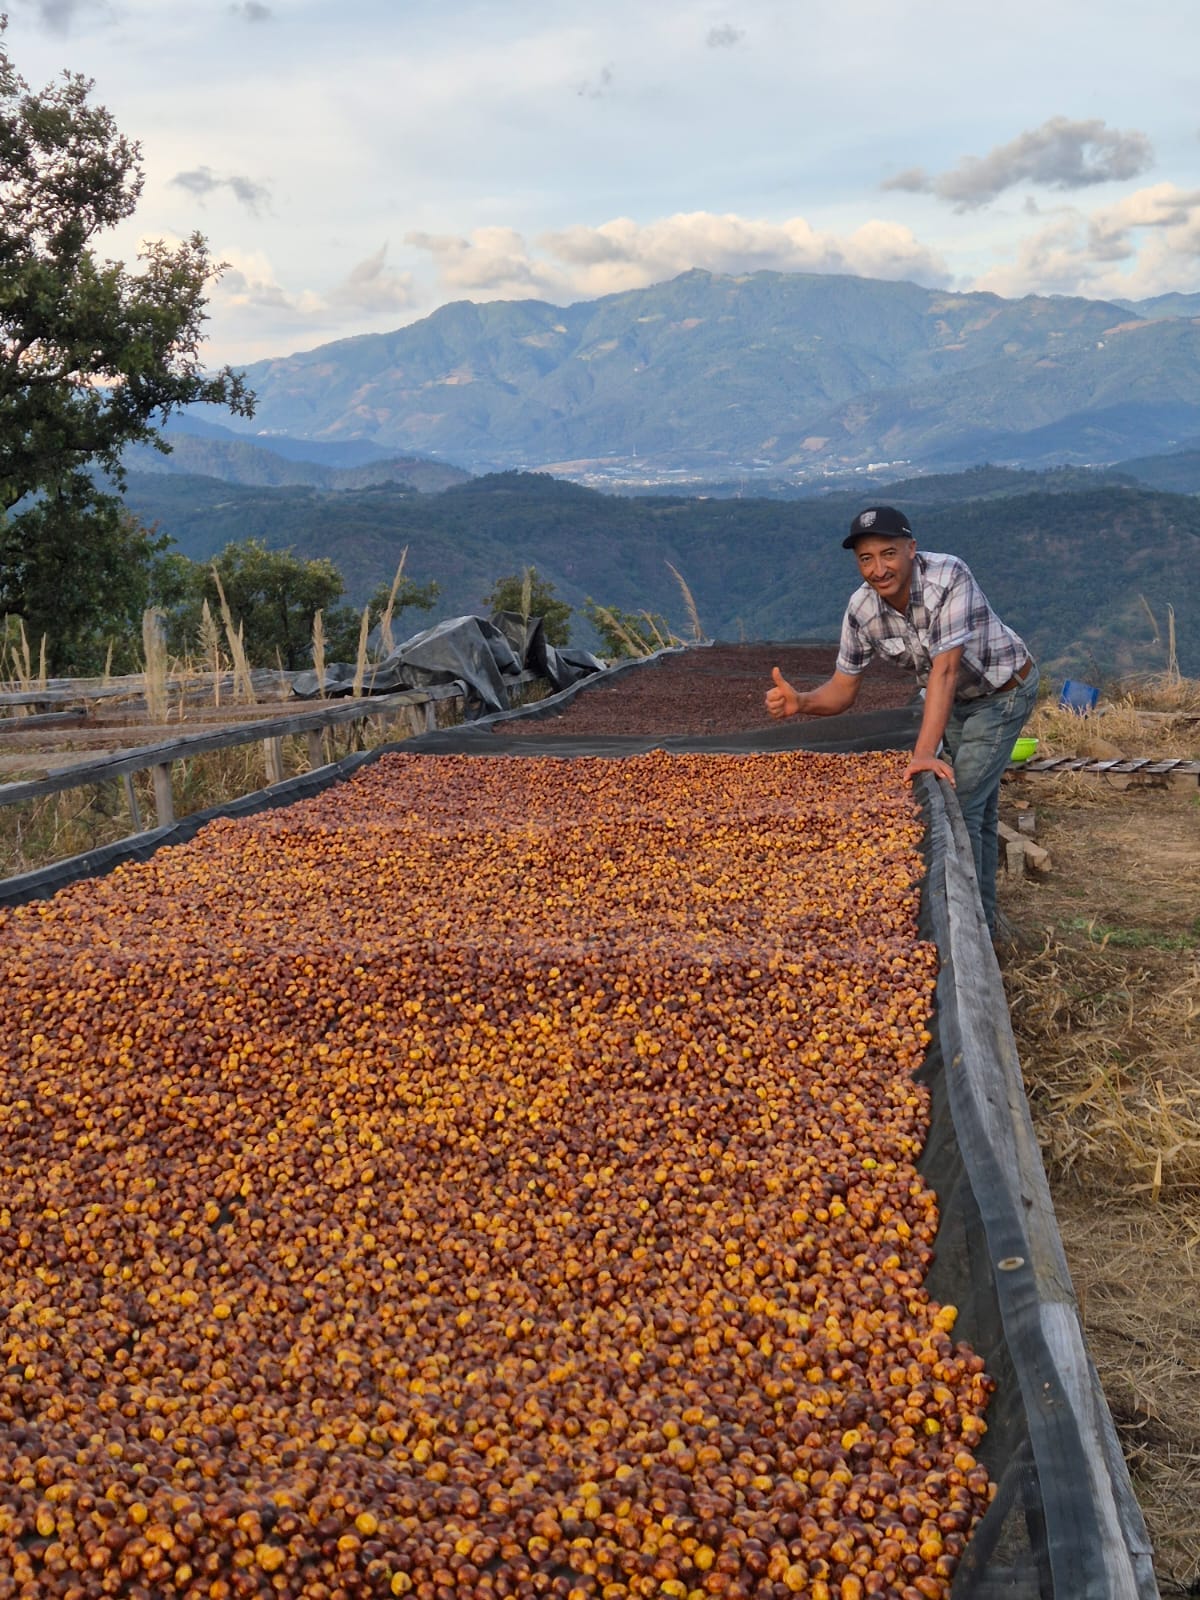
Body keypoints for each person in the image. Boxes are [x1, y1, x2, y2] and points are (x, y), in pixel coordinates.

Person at [764, 506, 1038, 935]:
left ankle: (968, 932)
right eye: (865, 559)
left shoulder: (947, 577)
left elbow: (945, 671)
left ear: (912, 549)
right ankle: (987, 929)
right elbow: (842, 690)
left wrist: (923, 753)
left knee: (959, 807)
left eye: (888, 553)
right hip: (954, 703)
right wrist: (802, 701)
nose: (878, 569)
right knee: (977, 809)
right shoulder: (862, 611)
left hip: (1001, 692)